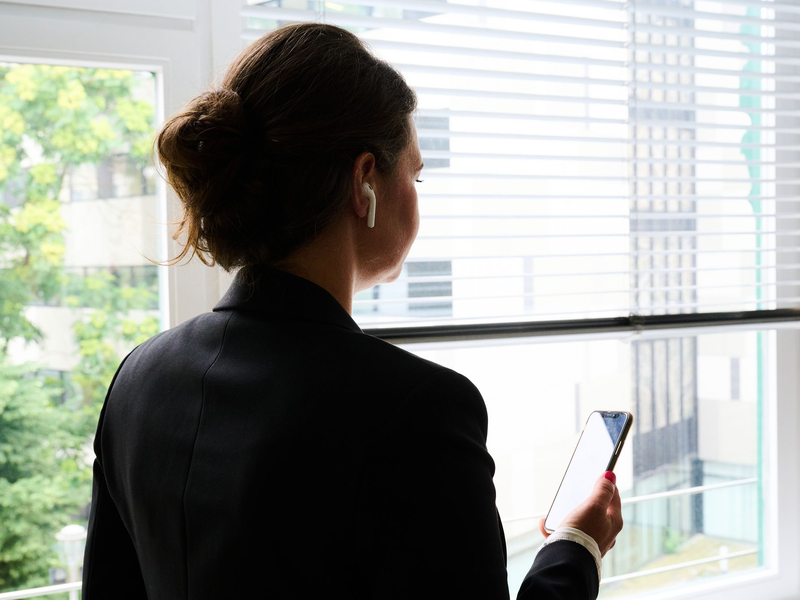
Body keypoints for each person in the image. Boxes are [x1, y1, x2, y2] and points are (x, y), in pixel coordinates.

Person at [81, 22, 623, 599]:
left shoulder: (138, 377)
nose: (417, 194)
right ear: (364, 180)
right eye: (414, 174)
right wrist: (576, 544)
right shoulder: (418, 410)